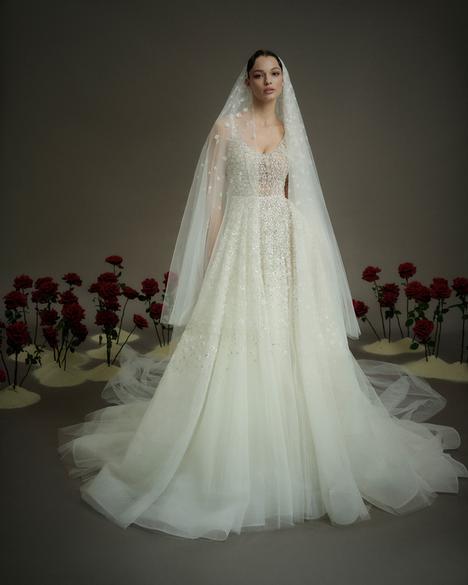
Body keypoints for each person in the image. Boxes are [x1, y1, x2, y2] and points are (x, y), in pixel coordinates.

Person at [58, 50, 468, 541]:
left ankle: (297, 446)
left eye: (275, 74)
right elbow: (212, 204)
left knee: (288, 339)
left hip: (285, 247)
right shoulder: (225, 129)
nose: (268, 81)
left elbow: (301, 201)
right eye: (259, 74)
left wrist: (309, 261)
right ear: (247, 81)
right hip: (240, 244)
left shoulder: (292, 132)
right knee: (238, 341)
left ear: (283, 81)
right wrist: (212, 259)